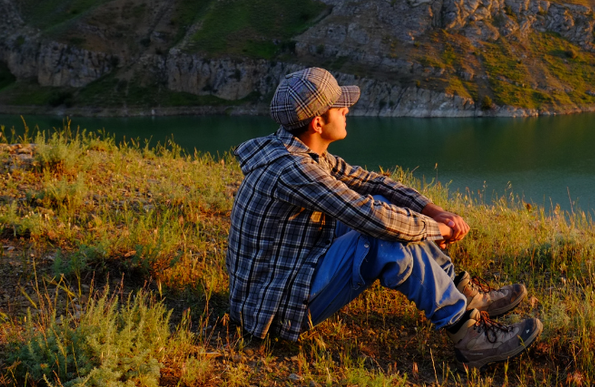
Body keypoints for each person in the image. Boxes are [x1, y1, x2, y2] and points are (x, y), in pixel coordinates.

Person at [226, 67, 542, 369]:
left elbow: (373, 183)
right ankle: (468, 335)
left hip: (291, 273)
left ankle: (460, 292)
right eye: (340, 107)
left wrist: (433, 211)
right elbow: (373, 219)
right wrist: (436, 230)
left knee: (381, 202)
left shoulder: (299, 150)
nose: (347, 110)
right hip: (272, 307)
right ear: (318, 123)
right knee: (383, 236)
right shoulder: (293, 170)